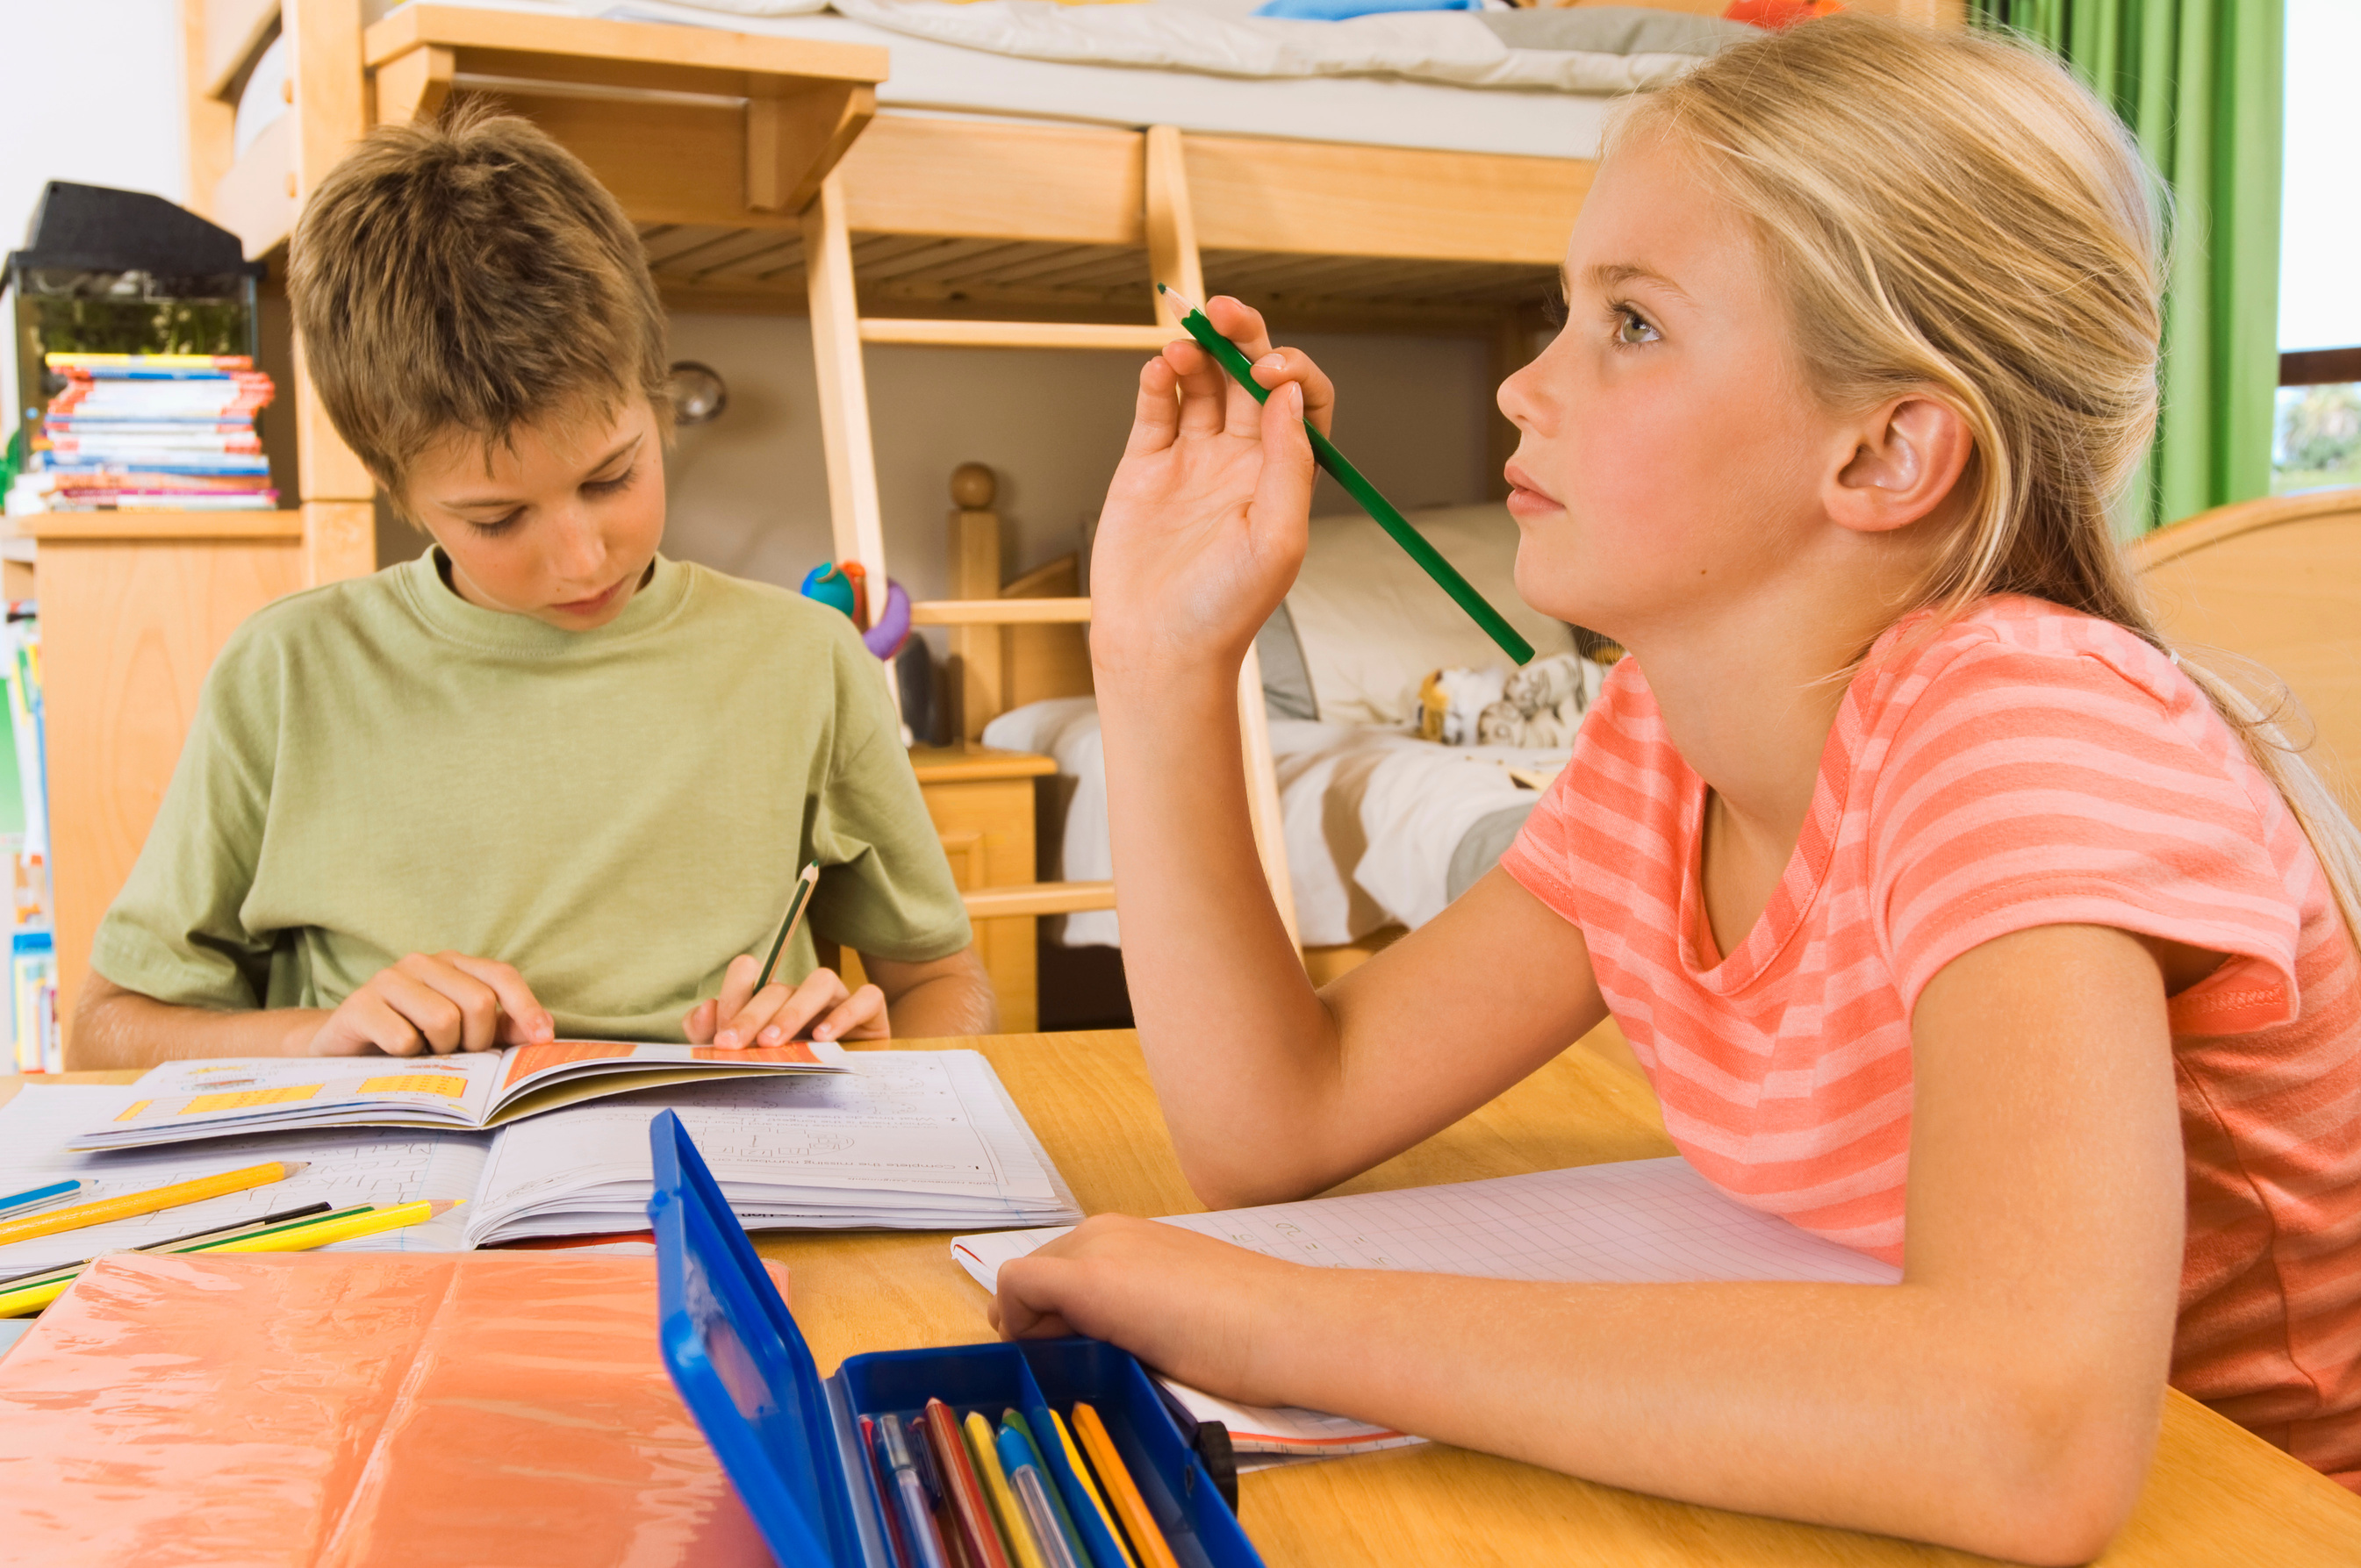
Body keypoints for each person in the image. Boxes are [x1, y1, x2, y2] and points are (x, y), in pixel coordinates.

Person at [990, 16, 2361, 1561]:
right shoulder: (1662, 740)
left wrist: (1279, 1323)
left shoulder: (2020, 725)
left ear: (1889, 449)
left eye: (1629, 325)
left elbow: (2027, 1433)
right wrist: (1164, 657)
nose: (1525, 387)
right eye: (1566, 311)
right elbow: (1272, 1123)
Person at [74, 111, 994, 1067]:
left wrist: (882, 1057)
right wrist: (323, 1034)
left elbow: (941, 983)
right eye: (498, 519)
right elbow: (104, 1032)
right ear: (399, 489)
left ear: (654, 400)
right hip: (405, 1206)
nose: (582, 558)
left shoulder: (803, 657)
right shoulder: (287, 671)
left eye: (611, 478)